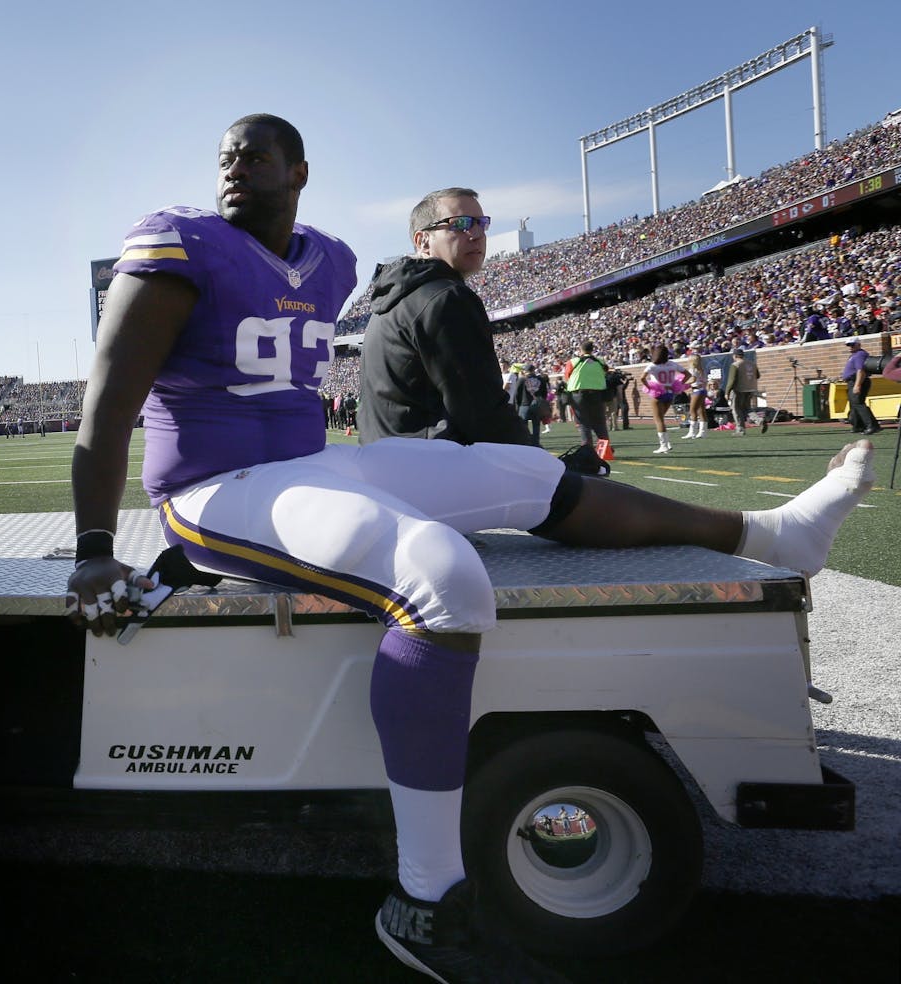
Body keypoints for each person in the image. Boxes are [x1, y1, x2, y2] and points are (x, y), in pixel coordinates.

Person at [65, 116, 874, 983]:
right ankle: (426, 901)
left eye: (255, 153)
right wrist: (95, 545)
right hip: (214, 490)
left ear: (299, 171)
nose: (234, 164)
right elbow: (109, 400)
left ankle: (771, 535)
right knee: (442, 577)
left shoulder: (330, 259)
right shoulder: (179, 242)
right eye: (226, 153)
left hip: (309, 467)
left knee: (518, 471)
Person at [356, 187, 530, 447]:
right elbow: (482, 411)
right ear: (422, 240)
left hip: (388, 463)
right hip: (433, 467)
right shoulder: (446, 298)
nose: (477, 234)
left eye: (482, 224)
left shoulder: (393, 302)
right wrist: (543, 466)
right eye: (460, 224)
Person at [641, 344, 692, 454]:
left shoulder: (652, 366)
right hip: (669, 393)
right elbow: (687, 374)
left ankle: (663, 445)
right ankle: (666, 444)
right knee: (661, 419)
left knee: (658, 420)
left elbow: (642, 378)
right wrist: (679, 384)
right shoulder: (672, 364)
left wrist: (649, 387)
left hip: (658, 393)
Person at [564, 341, 610, 447]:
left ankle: (587, 448)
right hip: (597, 394)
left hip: (578, 394)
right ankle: (605, 447)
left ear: (581, 350)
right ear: (592, 349)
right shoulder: (600, 362)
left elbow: (567, 377)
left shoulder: (573, 362)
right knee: (599, 422)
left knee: (583, 422)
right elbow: (605, 372)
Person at [841, 338, 882, 435]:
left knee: (858, 404)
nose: (850, 347)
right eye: (848, 345)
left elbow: (860, 370)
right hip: (852, 381)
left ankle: (872, 426)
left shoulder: (860, 354)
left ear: (858, 344)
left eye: (852, 344)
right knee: (854, 404)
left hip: (858, 381)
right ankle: (858, 426)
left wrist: (857, 385)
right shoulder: (854, 355)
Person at [724, 348, 763, 435]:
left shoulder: (735, 365)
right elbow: (758, 375)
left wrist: (727, 392)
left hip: (739, 390)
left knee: (736, 410)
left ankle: (740, 429)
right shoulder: (752, 364)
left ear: (735, 356)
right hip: (750, 389)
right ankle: (759, 420)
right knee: (747, 408)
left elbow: (732, 380)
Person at [682, 351, 709, 440]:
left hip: (696, 390)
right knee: (701, 411)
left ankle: (692, 432)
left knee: (692, 411)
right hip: (703, 390)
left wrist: (683, 383)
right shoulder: (702, 369)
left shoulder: (692, 370)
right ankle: (703, 432)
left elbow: (693, 379)